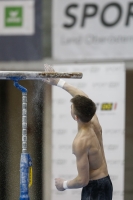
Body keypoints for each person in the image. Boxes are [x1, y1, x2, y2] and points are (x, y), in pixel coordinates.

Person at [43, 65, 113, 200]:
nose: (71, 108)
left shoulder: (80, 141)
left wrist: (63, 184)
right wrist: (58, 82)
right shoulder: (94, 121)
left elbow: (83, 180)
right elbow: (81, 96)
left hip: (95, 189)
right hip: (106, 183)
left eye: (71, 108)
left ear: (75, 117)